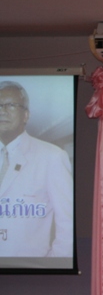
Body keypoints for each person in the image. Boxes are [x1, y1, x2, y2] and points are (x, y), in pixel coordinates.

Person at [0, 81, 73, 257]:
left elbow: (68, 223)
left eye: (10, 105)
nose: (2, 111)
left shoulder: (52, 157)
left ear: (26, 115)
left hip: (29, 269)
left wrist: (51, 264)